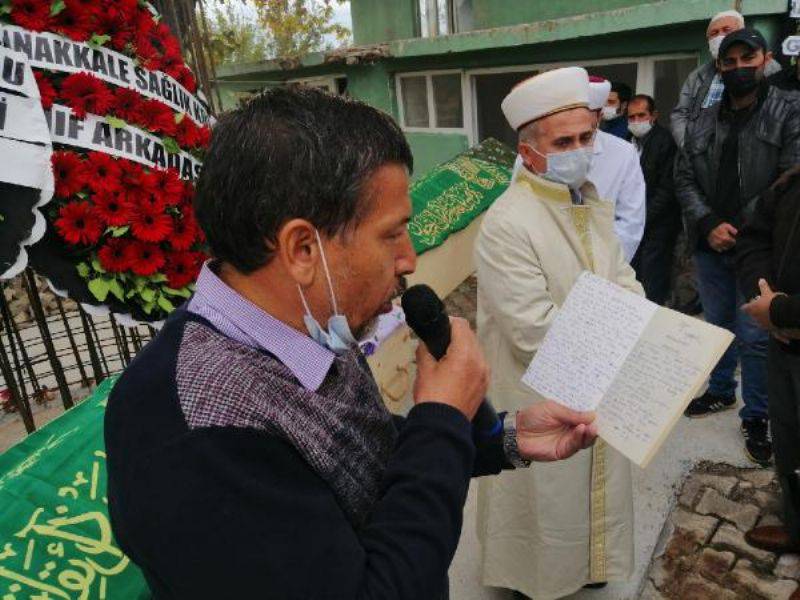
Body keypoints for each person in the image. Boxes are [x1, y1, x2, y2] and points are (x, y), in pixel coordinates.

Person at [104, 86, 599, 599]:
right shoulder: (194, 432)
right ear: (302, 249)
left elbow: (358, 453)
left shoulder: (307, 322)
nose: (408, 259)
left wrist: (501, 438)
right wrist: (442, 418)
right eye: (392, 234)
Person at [476, 67, 642, 600]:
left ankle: (590, 564)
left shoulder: (587, 201)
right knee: (544, 501)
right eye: (563, 141)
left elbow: (627, 283)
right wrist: (624, 333)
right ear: (528, 153)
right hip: (537, 389)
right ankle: (534, 581)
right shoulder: (508, 221)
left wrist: (632, 322)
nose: (580, 150)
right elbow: (535, 331)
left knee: (594, 488)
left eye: (586, 138)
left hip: (596, 379)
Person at [675, 28, 800, 466]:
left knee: (756, 335)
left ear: (765, 59)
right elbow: (684, 174)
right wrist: (707, 221)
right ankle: (721, 391)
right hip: (710, 242)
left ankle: (758, 416)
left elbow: (788, 180)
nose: (740, 68)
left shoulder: (790, 112)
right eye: (730, 62)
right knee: (716, 326)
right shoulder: (704, 118)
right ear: (720, 67)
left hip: (759, 249)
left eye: (749, 58)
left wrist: (742, 227)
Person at [513, 76, 646, 262]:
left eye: (585, 113)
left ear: (599, 116)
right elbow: (519, 213)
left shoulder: (623, 153)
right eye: (564, 141)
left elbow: (630, 223)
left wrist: (603, 268)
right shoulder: (532, 155)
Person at [737, 168, 800, 556]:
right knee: (790, 442)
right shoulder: (791, 182)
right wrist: (766, 303)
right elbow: (754, 237)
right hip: (784, 344)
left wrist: (782, 310)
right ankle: (797, 528)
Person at [670, 10, 780, 148]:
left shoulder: (770, 69)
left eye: (726, 30)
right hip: (699, 150)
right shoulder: (697, 76)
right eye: (714, 33)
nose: (720, 36)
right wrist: (687, 146)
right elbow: (680, 114)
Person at [627, 94, 681, 305]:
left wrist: (643, 218)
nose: (636, 121)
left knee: (653, 282)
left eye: (642, 115)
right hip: (634, 223)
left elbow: (667, 189)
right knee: (633, 280)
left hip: (657, 224)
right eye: (632, 117)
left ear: (654, 115)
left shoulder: (664, 141)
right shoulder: (627, 141)